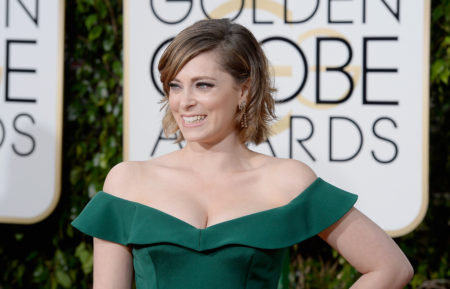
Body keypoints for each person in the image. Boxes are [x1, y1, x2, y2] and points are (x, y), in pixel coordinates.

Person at [72, 19, 413, 289]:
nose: (184, 101)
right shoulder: (128, 182)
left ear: (244, 91)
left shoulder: (286, 181)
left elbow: (390, 268)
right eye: (175, 85)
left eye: (203, 85)